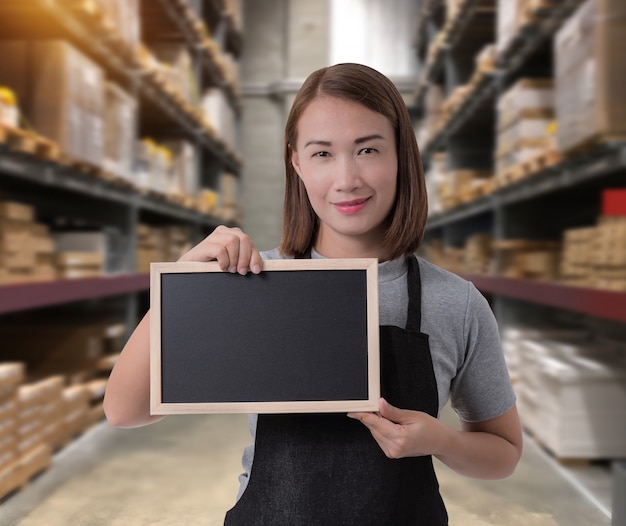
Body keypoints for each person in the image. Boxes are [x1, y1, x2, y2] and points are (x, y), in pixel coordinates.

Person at [104, 63, 522, 525]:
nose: (347, 178)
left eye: (367, 149)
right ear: (296, 163)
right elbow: (125, 410)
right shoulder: (255, 282)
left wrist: (441, 441)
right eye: (322, 154)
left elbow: (502, 452)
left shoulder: (456, 303)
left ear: (402, 155)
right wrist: (184, 287)